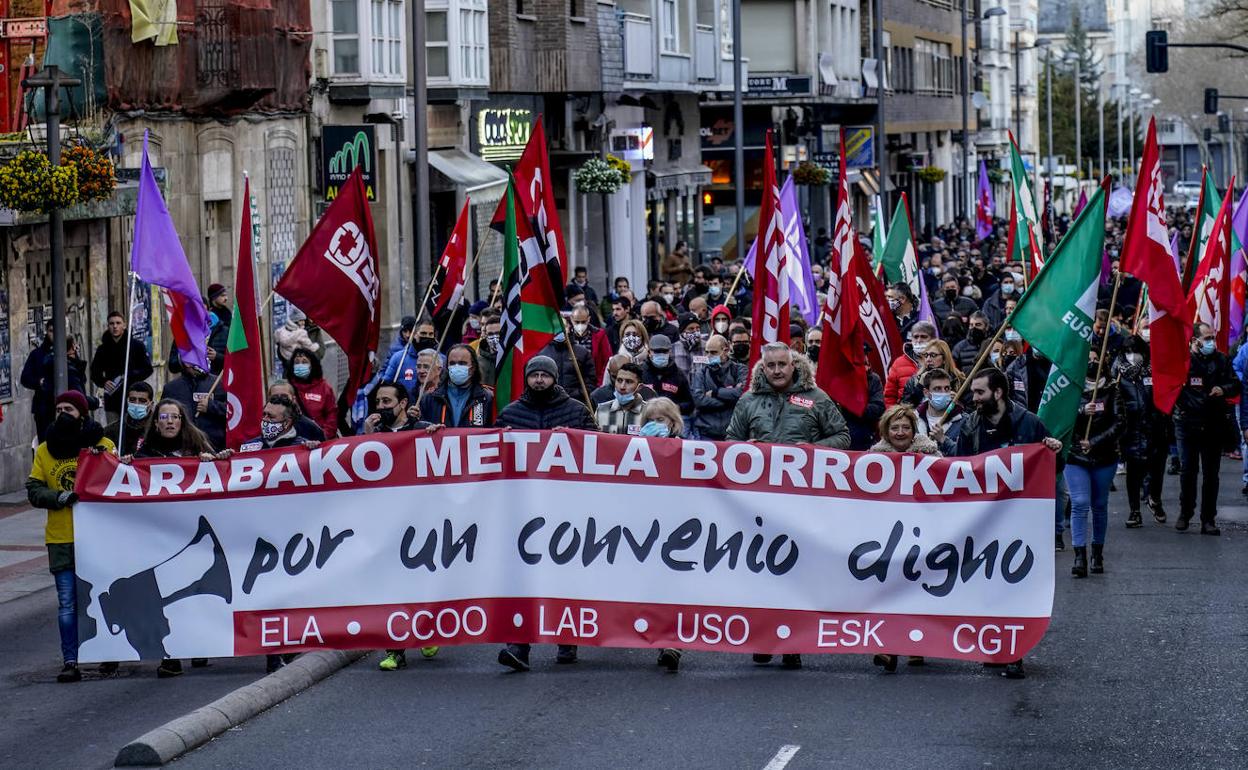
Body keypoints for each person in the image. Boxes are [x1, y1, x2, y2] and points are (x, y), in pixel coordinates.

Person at [726, 343, 849, 669]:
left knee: (795, 572)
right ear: (762, 368)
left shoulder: (817, 398)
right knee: (760, 573)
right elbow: (729, 442)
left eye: (783, 364)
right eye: (772, 365)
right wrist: (744, 449)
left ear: (794, 365)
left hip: (803, 503)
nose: (778, 370)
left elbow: (842, 437)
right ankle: (764, 638)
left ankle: (792, 642)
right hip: (758, 505)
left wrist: (814, 448)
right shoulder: (748, 401)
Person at [953, 368, 1063, 680]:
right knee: (988, 585)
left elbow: (1056, 467)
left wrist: (1053, 451)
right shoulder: (970, 425)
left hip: (1021, 522)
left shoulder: (1029, 423)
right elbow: (959, 469)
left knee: (1015, 586)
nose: (974, 399)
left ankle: (1013, 652)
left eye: (979, 393)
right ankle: (994, 646)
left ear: (998, 393)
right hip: (984, 521)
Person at [496, 356, 597, 672]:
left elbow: (599, 450)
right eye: (534, 375)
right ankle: (519, 645)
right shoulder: (510, 413)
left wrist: (577, 439)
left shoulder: (578, 411)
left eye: (545, 375)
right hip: (524, 512)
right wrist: (502, 438)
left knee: (563, 576)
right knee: (523, 580)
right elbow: (484, 444)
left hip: (565, 510)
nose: (539, 380)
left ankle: (567, 638)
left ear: (555, 378)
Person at [126, 398, 219, 677]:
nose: (169, 422)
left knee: (194, 596)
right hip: (160, 540)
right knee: (165, 597)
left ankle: (198, 645)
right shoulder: (145, 457)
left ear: (182, 421)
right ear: (155, 423)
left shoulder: (197, 446)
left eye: (175, 417)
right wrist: (125, 467)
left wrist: (210, 462)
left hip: (193, 536)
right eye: (164, 417)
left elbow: (223, 478)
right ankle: (171, 656)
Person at [26, 390, 115, 683]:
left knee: (103, 597)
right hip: (62, 538)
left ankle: (107, 653)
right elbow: (34, 490)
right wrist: (59, 496)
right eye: (59, 408)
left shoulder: (102, 445)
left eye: (70, 409)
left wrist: (106, 463)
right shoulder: (44, 450)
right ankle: (71, 660)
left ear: (82, 414)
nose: (63, 414)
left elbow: (119, 483)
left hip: (98, 539)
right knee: (67, 602)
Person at [869, 404, 940, 672]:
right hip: (886, 537)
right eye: (895, 428)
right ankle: (887, 648)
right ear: (886, 432)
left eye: (905, 428)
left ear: (914, 430)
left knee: (915, 589)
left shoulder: (931, 455)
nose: (900, 433)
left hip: (920, 533)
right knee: (887, 591)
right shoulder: (871, 460)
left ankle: (915, 646)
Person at [1175, 323, 1239, 535]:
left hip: (1213, 424)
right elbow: (1176, 392)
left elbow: (1236, 384)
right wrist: (1197, 403)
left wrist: (1223, 389)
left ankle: (1208, 519)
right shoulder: (1184, 361)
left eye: (1212, 337)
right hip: (1188, 424)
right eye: (1206, 338)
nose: (1210, 342)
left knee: (1211, 474)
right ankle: (1185, 513)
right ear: (1194, 341)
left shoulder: (1221, 360)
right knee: (1188, 471)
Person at [1065, 358, 1125, 577]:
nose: (1090, 364)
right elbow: (1061, 418)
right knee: (1080, 502)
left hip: (1104, 456)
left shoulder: (1112, 391)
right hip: (1076, 456)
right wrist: (1081, 410)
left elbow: (1119, 423)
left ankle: (1097, 552)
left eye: (1094, 360)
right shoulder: (1071, 388)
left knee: (1099, 504)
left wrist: (1095, 441)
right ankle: (1079, 555)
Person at [1116, 338, 1168, 526]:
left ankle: (1155, 498)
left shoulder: (1153, 369)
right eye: (1128, 351)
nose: (1132, 355)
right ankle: (1134, 511)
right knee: (1134, 473)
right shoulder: (1118, 371)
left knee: (1156, 470)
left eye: (1135, 351)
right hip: (1131, 430)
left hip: (1155, 428)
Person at [89, 311, 154, 423]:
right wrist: (103, 382)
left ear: (124, 325)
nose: (115, 326)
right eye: (112, 323)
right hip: (112, 399)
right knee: (113, 431)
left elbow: (148, 369)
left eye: (118, 323)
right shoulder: (103, 349)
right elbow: (94, 372)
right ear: (108, 326)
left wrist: (129, 376)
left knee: (132, 429)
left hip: (133, 398)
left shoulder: (136, 346)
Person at [418, 345, 496, 428]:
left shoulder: (487, 398)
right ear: (447, 367)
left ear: (473, 368)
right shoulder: (430, 398)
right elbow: (419, 432)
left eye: (462, 363)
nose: (456, 367)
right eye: (452, 363)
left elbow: (495, 428)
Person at [690, 335, 747, 440]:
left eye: (713, 352)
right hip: (707, 432)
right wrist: (730, 400)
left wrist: (715, 393)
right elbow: (698, 400)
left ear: (725, 351)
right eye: (707, 352)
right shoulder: (701, 373)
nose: (709, 355)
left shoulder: (739, 370)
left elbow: (742, 394)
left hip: (732, 432)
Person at [161, 362, 227, 450]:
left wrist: (212, 406)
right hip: (181, 448)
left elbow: (233, 411)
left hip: (214, 447)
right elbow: (161, 414)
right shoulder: (171, 388)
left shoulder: (219, 384)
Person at [285, 347, 339, 440]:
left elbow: (332, 414)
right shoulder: (287, 388)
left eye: (304, 362)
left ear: (312, 365)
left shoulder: (324, 388)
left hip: (320, 440)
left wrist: (325, 435)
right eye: (297, 362)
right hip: (295, 442)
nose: (300, 365)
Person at [639, 335, 695, 419]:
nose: (661, 354)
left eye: (664, 351)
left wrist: (677, 408)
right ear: (649, 352)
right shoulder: (640, 372)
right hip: (644, 418)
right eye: (657, 351)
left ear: (670, 352)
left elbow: (690, 403)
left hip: (671, 419)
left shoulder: (679, 374)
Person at [884, 322, 937, 407]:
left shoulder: (942, 360)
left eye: (923, 336)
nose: (919, 340)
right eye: (916, 337)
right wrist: (894, 417)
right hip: (907, 416)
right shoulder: (899, 363)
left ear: (933, 339)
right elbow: (889, 396)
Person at [540, 327, 597, 404]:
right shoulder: (541, 353)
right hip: (549, 402)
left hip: (576, 402)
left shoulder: (582, 352)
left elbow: (590, 379)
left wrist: (579, 394)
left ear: (569, 328)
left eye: (563, 327)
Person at [915, 368, 964, 456]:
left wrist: (943, 439)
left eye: (947, 388)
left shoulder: (964, 420)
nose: (943, 392)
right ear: (926, 393)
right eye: (937, 389)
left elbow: (967, 454)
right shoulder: (914, 420)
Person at [901, 339, 963, 407]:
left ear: (944, 359)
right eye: (926, 355)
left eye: (933, 355)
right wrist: (919, 387)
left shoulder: (958, 380)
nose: (928, 359)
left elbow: (970, 409)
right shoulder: (914, 380)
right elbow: (906, 407)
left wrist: (957, 403)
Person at [103, 381, 154, 457]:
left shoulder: (156, 430)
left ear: (151, 404)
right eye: (132, 399)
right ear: (127, 401)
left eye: (142, 401)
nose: (137, 404)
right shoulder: (111, 431)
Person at [595, 362, 648, 434]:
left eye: (629, 382)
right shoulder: (601, 410)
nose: (622, 387)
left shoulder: (649, 412)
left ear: (639, 387)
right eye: (619, 380)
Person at [841, 368, 886, 451]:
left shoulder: (873, 379)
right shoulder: (834, 379)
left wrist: (852, 406)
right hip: (839, 442)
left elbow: (879, 409)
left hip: (864, 440)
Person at [590, 354, 659, 405]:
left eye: (627, 380)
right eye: (618, 379)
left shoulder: (648, 394)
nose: (622, 386)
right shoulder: (597, 396)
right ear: (609, 372)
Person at [569, 304, 612, 381]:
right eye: (577, 322)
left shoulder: (600, 335)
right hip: (571, 382)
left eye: (583, 322)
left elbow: (607, 361)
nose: (580, 325)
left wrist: (600, 382)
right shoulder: (566, 337)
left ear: (588, 319)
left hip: (593, 382)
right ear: (571, 319)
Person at [673, 313, 707, 380]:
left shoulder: (707, 347)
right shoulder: (673, 349)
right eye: (691, 329)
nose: (695, 331)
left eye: (698, 328)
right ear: (682, 331)